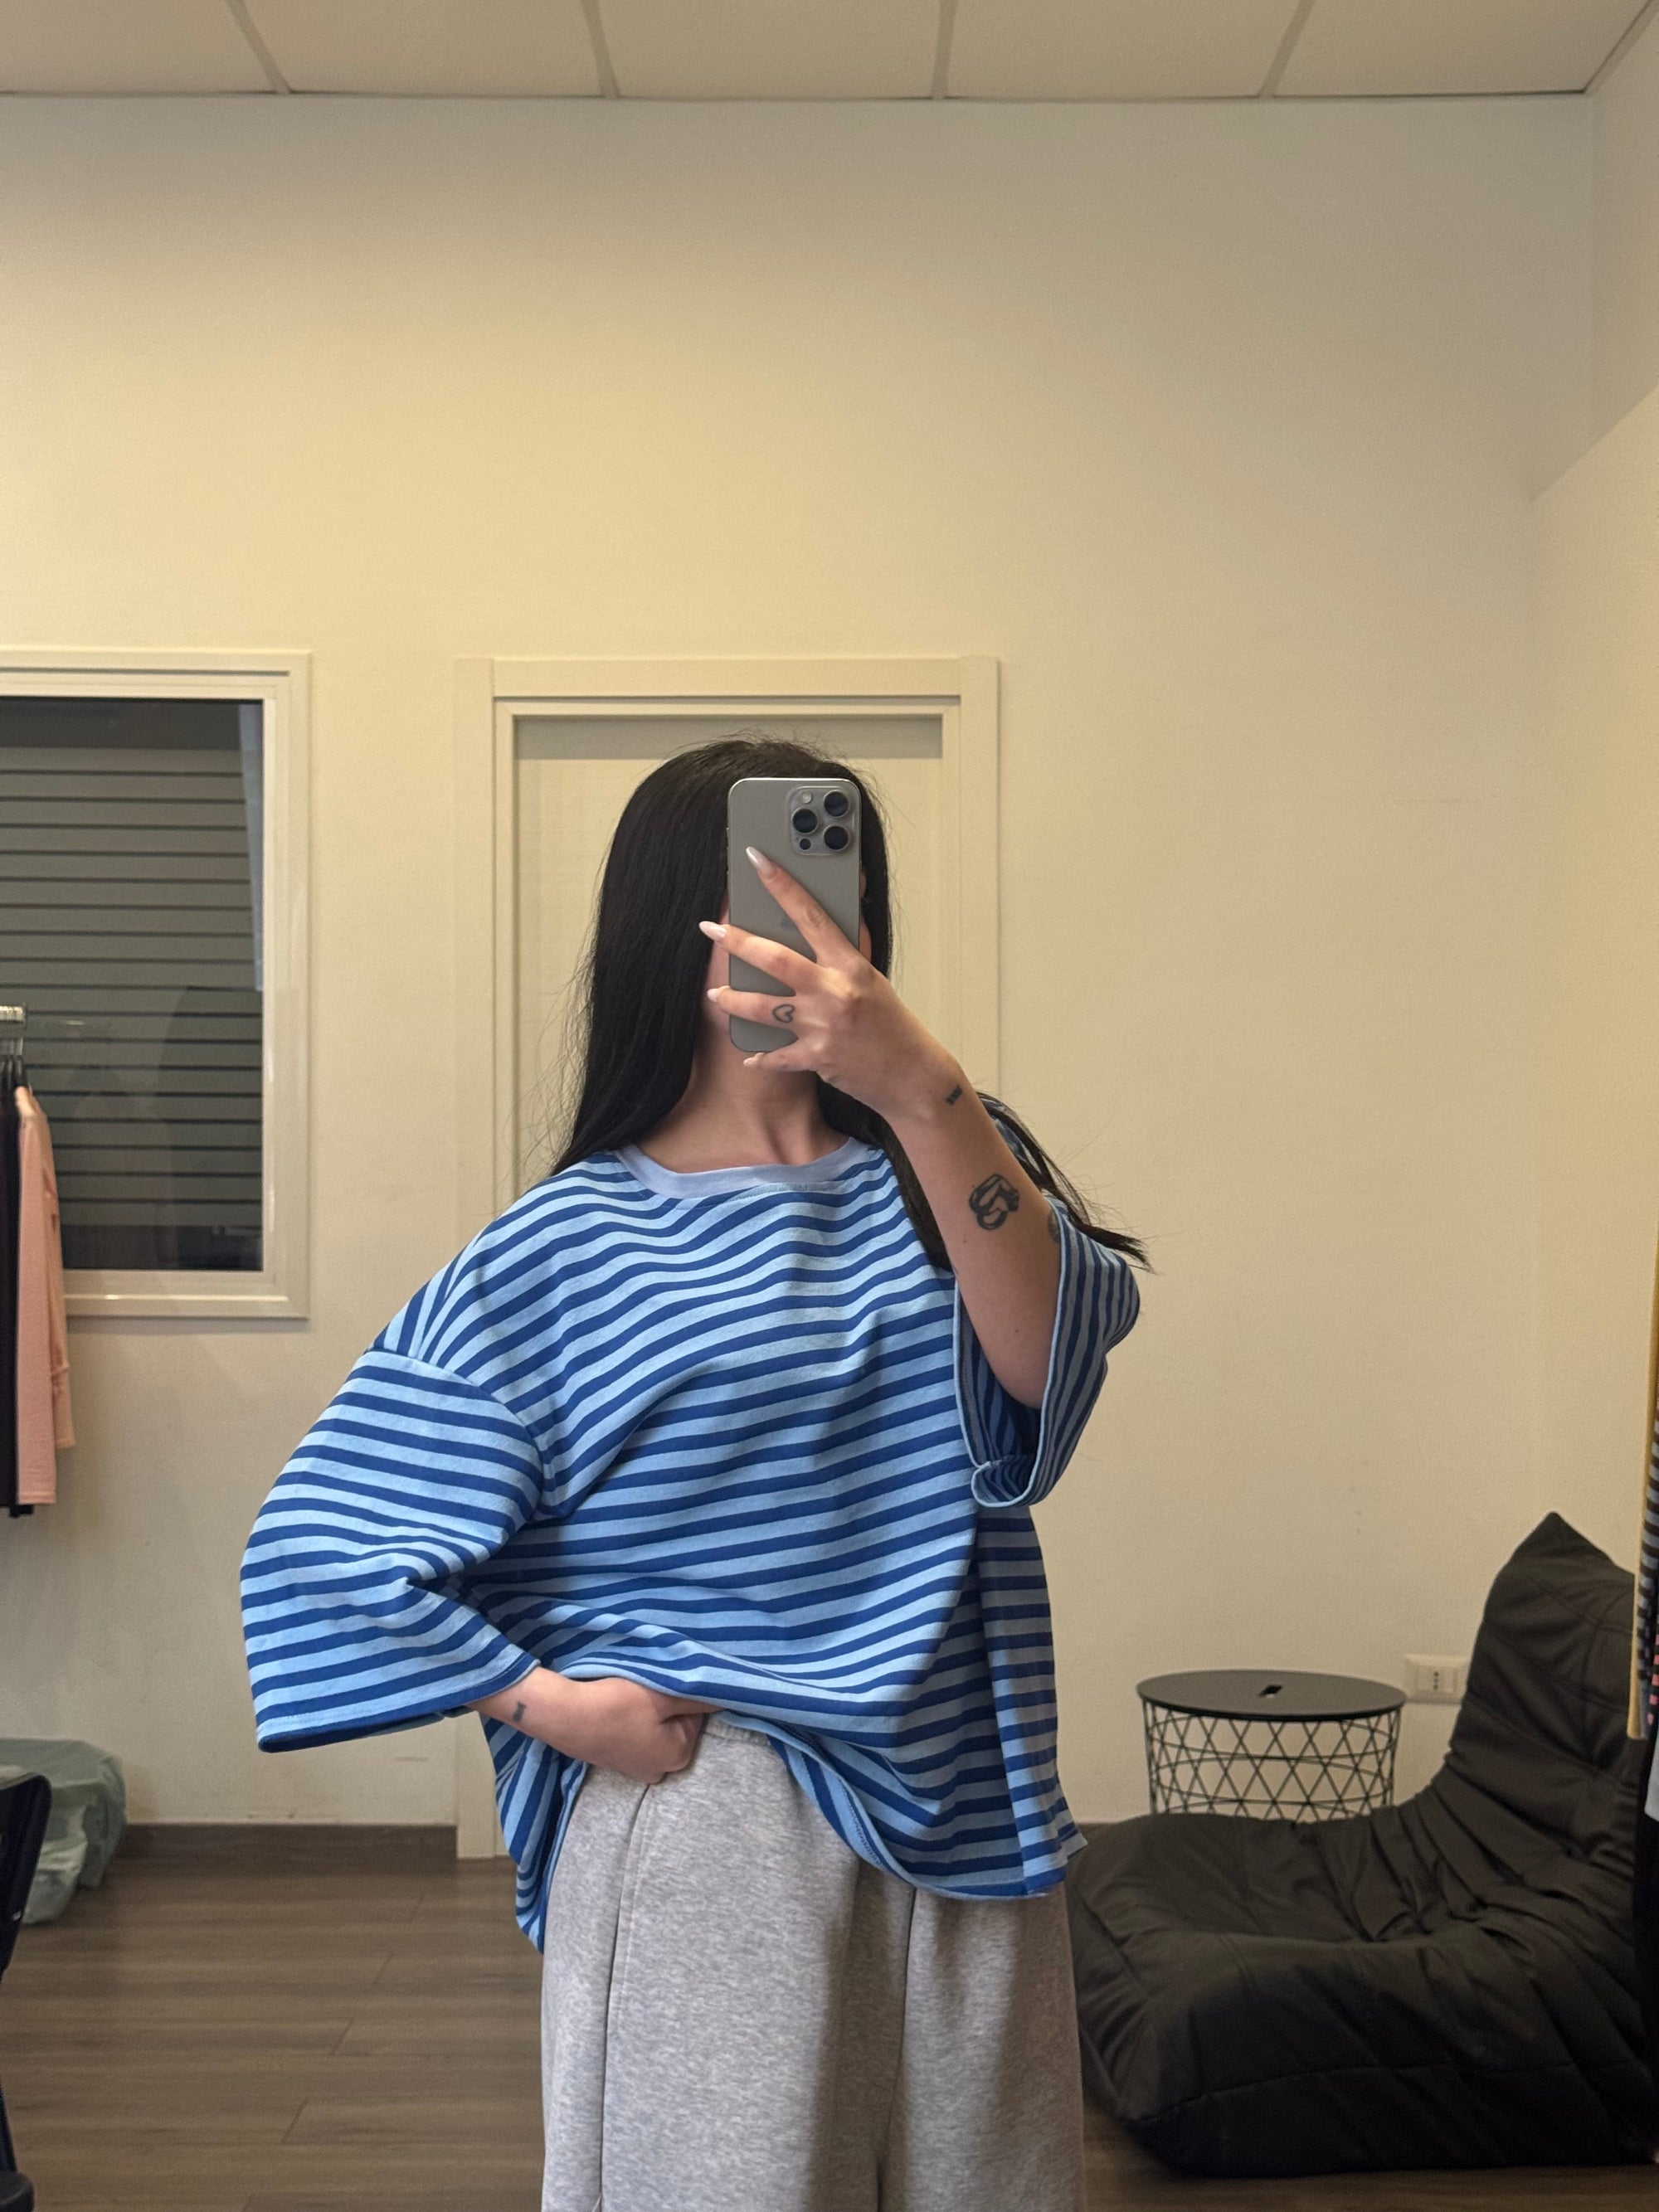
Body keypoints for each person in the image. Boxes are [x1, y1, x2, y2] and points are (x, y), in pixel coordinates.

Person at [240, 734, 1143, 2212]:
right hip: (722, 1814)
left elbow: (1046, 1372)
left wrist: (925, 1089)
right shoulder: (563, 1246)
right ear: (684, 922)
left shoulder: (948, 1168)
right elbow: (317, 1550)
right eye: (770, 894)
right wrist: (549, 1705)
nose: (814, 929)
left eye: (839, 891)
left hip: (973, 1807)